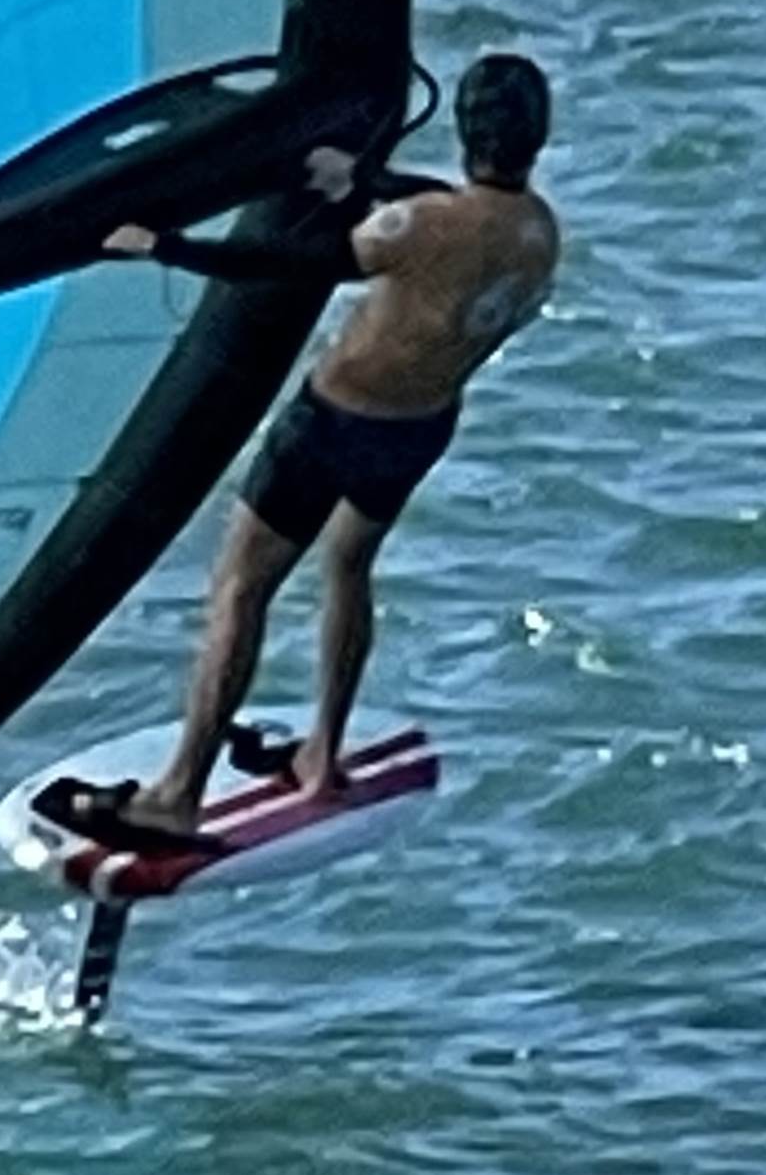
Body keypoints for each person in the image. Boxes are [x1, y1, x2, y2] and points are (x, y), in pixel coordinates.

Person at [56, 52, 559, 850]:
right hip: (418, 429)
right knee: (349, 567)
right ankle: (323, 757)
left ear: (468, 132)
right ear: (538, 138)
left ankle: (176, 796)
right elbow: (447, 216)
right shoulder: (538, 235)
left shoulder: (420, 225)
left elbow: (290, 263)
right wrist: (363, 179)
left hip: (332, 423)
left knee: (240, 588)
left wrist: (164, 246)